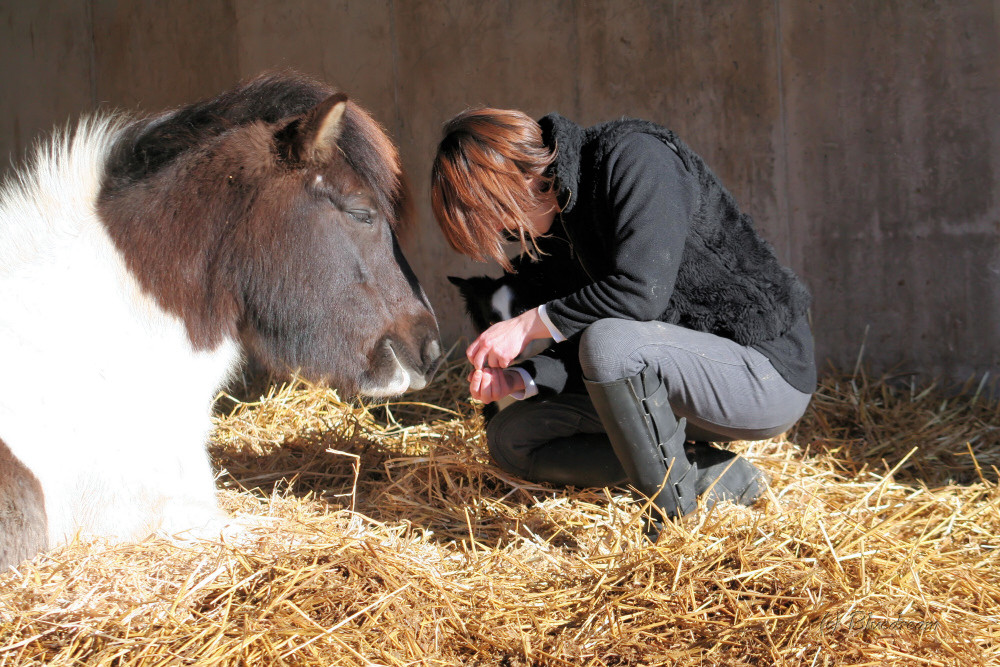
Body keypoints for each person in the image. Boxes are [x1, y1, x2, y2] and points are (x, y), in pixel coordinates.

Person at [431, 108, 816, 531]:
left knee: (610, 343)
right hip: (669, 377)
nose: (509, 236)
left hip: (762, 373)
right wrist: (524, 378)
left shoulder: (634, 156)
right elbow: (605, 334)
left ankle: (672, 524)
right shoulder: (567, 218)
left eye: (499, 221)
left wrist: (525, 325)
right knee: (511, 440)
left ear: (516, 179)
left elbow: (639, 296)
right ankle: (710, 475)